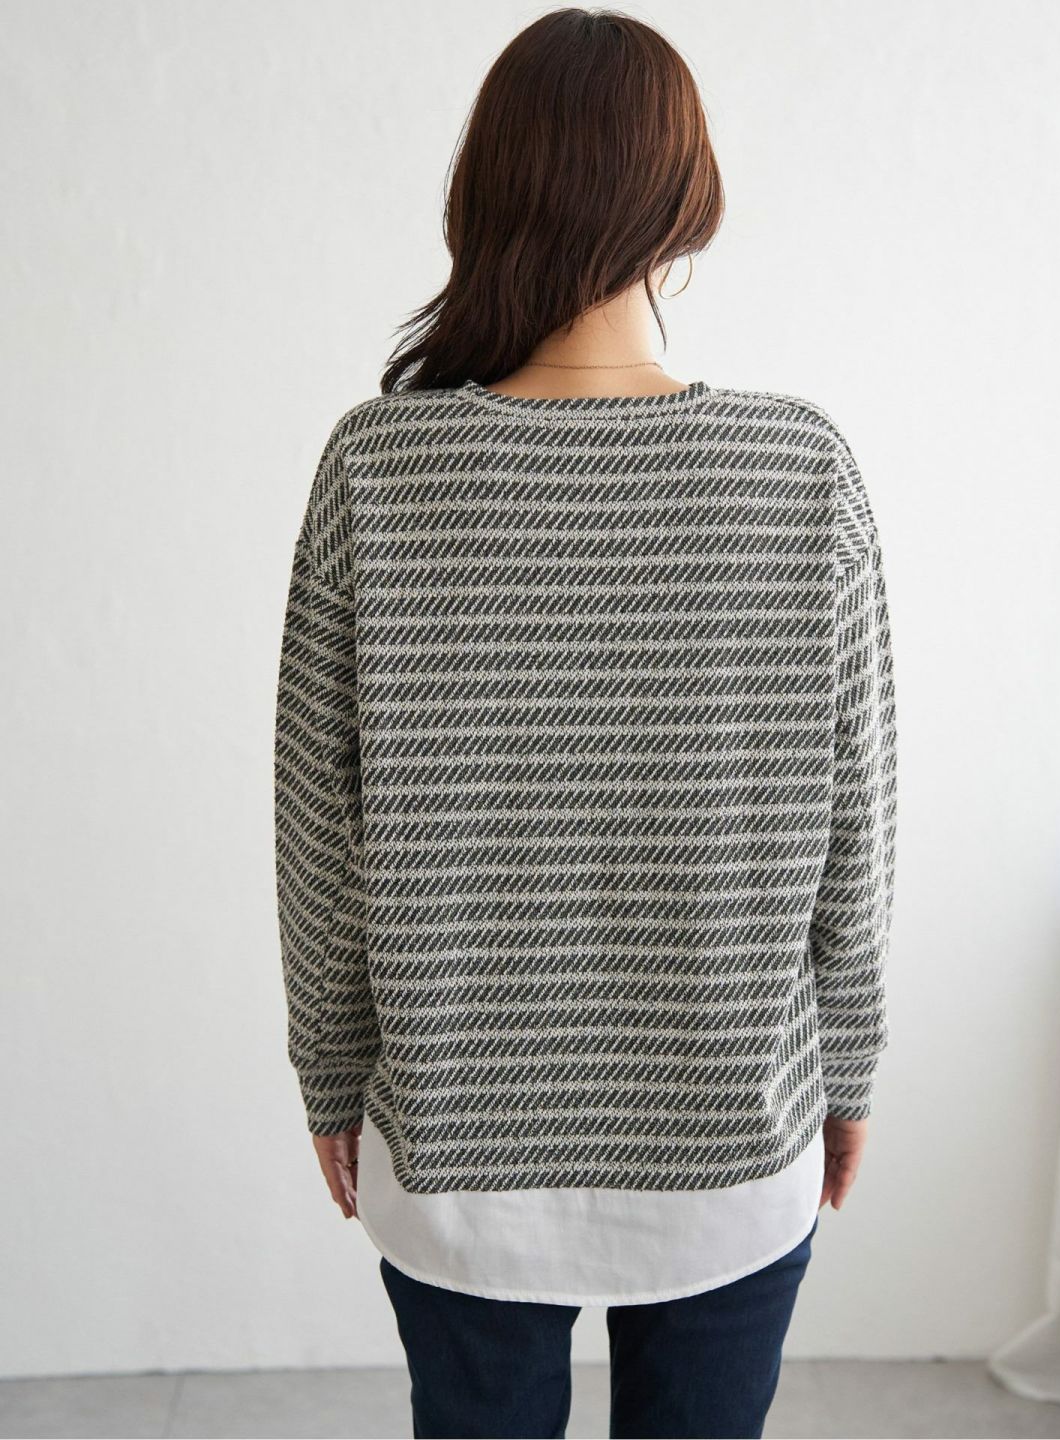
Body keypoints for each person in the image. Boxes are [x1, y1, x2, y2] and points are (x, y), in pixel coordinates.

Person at [273, 8, 898, 1438]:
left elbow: (317, 822)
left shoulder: (380, 466)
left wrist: (330, 1068)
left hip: (461, 1154)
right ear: (687, 203)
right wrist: (851, 1062)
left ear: (482, 192)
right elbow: (856, 817)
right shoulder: (799, 470)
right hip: (732, 1139)